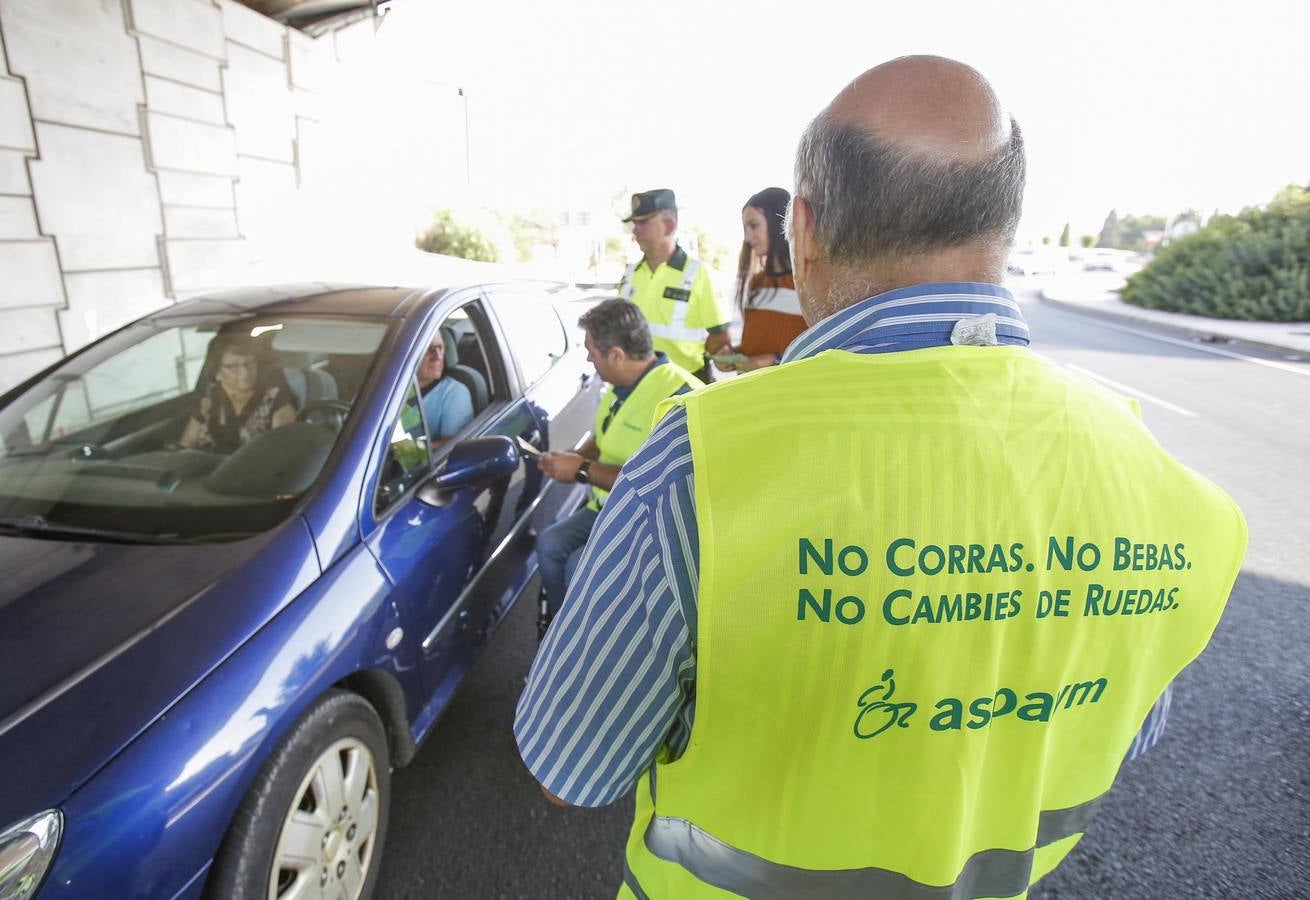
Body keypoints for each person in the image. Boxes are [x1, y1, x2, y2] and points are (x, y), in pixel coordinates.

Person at [515, 56, 1247, 899]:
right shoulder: (1159, 486)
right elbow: (1121, 729)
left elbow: (570, 771)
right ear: (1003, 231)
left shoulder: (696, 463)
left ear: (810, 232)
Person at [533, 298, 701, 639]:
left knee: (576, 566)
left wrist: (581, 470)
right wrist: (572, 456)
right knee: (550, 544)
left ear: (617, 355)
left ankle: (586, 645)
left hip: (649, 525)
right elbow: (605, 435)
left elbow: (657, 482)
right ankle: (559, 633)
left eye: (591, 351)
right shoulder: (622, 386)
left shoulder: (682, 399)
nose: (588, 359)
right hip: (607, 508)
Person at [617, 189, 733, 382]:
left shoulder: (700, 275)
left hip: (684, 387)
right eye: (634, 224)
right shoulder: (630, 274)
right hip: (637, 385)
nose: (635, 231)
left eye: (643, 222)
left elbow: (720, 338)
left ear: (669, 226)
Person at [714, 186, 807, 373]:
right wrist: (733, 354)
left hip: (787, 395)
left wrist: (775, 361)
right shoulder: (756, 283)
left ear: (778, 222)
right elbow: (758, 345)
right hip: (749, 392)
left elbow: (820, 351)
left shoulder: (808, 283)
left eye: (754, 225)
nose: (747, 237)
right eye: (745, 228)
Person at [180, 334, 296, 452]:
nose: (245, 372)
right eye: (233, 366)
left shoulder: (274, 400)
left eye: (249, 363)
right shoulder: (207, 404)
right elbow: (184, 448)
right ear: (217, 373)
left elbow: (282, 452)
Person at [409, 331, 473, 445]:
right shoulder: (389, 386)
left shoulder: (455, 393)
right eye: (428, 349)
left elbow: (451, 446)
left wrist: (410, 449)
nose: (438, 356)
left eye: (441, 348)